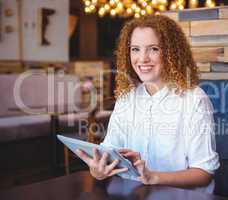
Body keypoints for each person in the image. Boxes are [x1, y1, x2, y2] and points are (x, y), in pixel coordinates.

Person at [77, 15, 219, 193]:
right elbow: (108, 153)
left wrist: (153, 177)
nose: (142, 58)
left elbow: (204, 172)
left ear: (171, 52)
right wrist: (97, 170)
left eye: (153, 49)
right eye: (135, 49)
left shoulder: (194, 99)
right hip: (131, 194)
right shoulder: (127, 98)